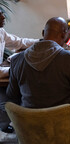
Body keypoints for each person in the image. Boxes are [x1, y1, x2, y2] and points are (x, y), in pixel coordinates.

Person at [6, 17, 70, 140]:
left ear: (43, 33)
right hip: (67, 130)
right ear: (64, 35)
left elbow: (11, 96)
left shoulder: (16, 60)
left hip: (31, 130)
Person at [0, 10, 38, 139]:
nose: (3, 16)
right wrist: (12, 70)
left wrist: (40, 41)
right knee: (9, 102)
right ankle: (5, 122)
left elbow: (19, 42)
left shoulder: (1, 32)